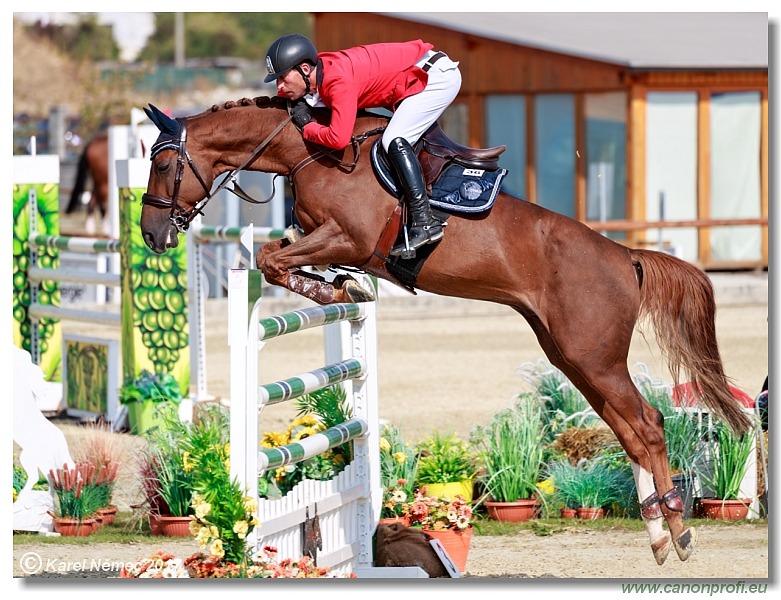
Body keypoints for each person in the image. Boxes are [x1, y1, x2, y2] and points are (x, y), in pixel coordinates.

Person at [263, 33, 462, 258]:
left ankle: (425, 221)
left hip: (436, 78)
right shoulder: (322, 73)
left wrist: (308, 126)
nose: (279, 87)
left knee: (395, 139)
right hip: (419, 72)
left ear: (305, 70)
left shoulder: (337, 81)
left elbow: (338, 139)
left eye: (282, 78)